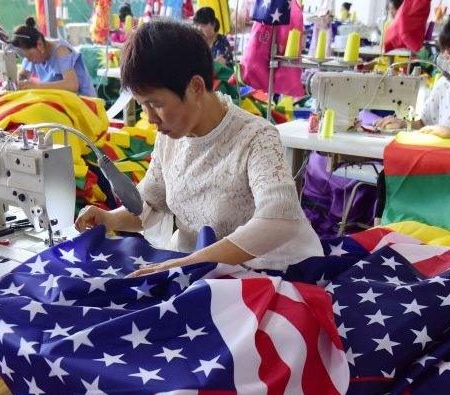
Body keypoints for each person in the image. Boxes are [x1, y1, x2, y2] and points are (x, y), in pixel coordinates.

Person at [74, 20, 322, 274]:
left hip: (273, 273)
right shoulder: (171, 137)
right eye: (142, 106)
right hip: (206, 272)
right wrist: (108, 218)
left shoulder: (256, 137)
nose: (149, 118)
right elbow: (150, 204)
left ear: (196, 87)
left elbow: (279, 219)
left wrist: (184, 264)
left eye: (156, 104)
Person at [12, 17, 96, 97]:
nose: (28, 60)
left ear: (39, 45)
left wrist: (36, 86)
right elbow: (22, 75)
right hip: (62, 102)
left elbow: (72, 85)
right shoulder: (32, 55)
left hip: (83, 104)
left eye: (29, 56)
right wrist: (19, 83)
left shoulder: (61, 51)